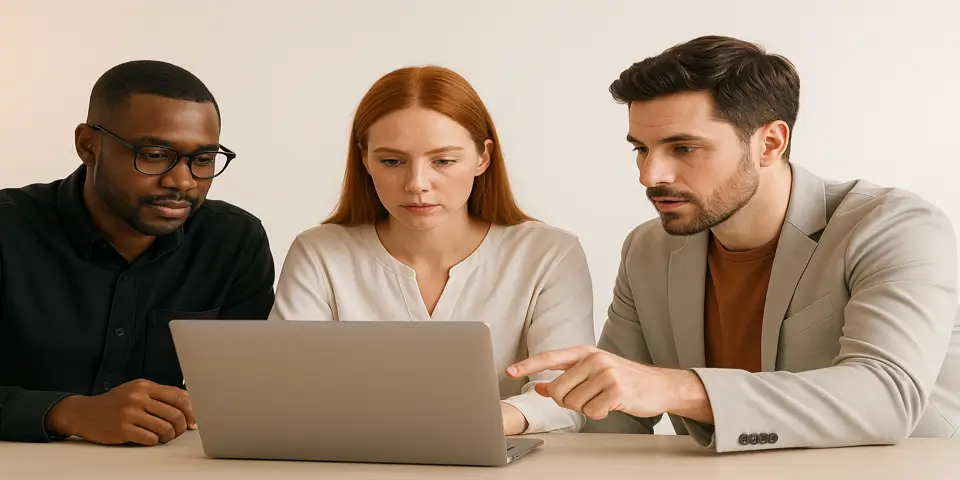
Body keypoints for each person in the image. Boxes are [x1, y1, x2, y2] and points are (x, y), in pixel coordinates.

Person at [507, 35, 960, 451]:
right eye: (640, 149)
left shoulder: (895, 227)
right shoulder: (648, 249)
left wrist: (677, 387)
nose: (650, 175)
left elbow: (887, 397)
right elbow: (612, 421)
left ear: (770, 143)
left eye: (683, 148)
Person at [269, 65, 596, 435]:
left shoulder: (549, 254)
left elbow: (564, 397)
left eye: (443, 161)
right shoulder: (319, 253)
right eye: (392, 161)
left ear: (482, 158)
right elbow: (290, 389)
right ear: (364, 157)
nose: (416, 184)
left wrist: (473, 424)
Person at [0, 61, 276, 445]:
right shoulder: (8, 231)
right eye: (154, 154)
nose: (182, 181)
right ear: (88, 145)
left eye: (203, 159)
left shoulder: (233, 242)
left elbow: (243, 391)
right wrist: (69, 412)